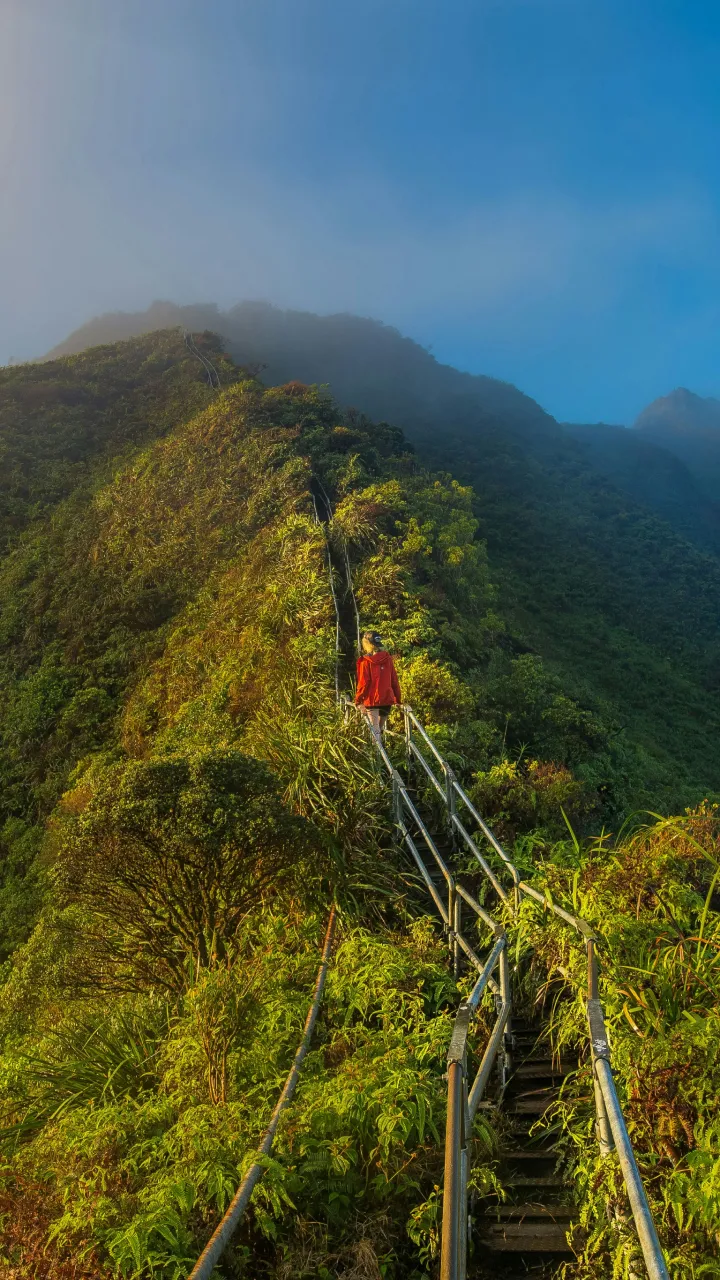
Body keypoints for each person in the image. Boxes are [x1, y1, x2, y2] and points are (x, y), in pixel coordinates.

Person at [354, 630, 401, 737]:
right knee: (378, 730)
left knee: (375, 732)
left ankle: (377, 753)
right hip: (386, 700)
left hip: (372, 701)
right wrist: (398, 699)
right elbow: (394, 680)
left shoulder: (365, 661)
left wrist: (358, 700)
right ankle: (381, 751)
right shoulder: (388, 659)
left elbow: (364, 683)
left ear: (366, 643)